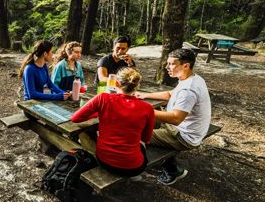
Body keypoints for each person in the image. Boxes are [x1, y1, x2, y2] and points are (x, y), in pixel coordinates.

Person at [136, 48, 211, 185]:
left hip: (183, 136)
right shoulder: (192, 78)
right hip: (185, 128)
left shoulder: (188, 90)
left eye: (171, 64)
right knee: (143, 121)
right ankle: (166, 163)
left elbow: (176, 119)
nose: (166, 67)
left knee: (136, 133)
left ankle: (165, 169)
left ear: (186, 65)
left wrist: (143, 109)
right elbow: (171, 94)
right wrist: (145, 95)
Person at [71, 68, 155, 177]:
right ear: (137, 85)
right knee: (140, 143)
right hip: (134, 168)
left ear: (116, 83)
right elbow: (146, 138)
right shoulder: (147, 108)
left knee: (85, 132)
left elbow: (75, 118)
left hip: (105, 162)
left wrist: (98, 113)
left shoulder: (103, 98)